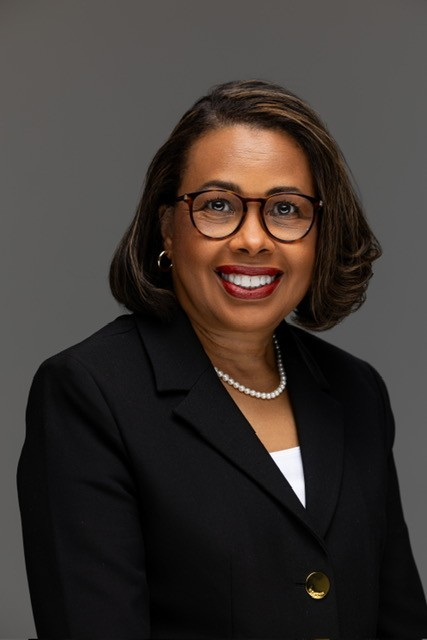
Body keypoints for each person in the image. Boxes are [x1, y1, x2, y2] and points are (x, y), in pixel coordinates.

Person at [18, 80, 427, 639]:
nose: (253, 240)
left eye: (285, 209)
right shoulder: (90, 394)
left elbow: (401, 622)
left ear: (320, 233)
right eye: (218, 205)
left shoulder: (356, 390)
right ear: (168, 227)